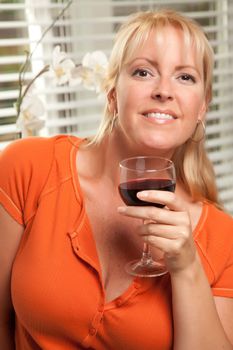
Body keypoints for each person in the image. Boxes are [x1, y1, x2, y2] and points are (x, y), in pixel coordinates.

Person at [0, 9, 233, 350]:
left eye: (185, 77)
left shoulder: (222, 239)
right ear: (112, 95)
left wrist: (186, 267)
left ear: (202, 108)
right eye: (143, 72)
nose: (164, 91)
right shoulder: (28, 167)